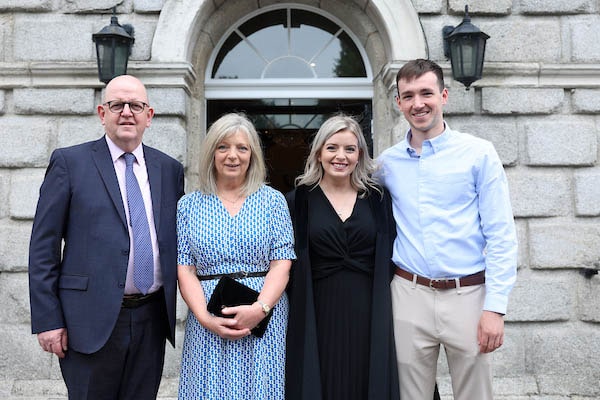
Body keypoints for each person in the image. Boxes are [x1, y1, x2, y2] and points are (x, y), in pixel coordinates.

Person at [28, 75, 185, 399]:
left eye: (136, 106)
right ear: (102, 113)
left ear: (149, 116)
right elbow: (43, 246)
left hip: (151, 319)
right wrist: (48, 319)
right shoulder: (70, 163)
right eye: (117, 105)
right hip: (88, 321)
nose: (127, 112)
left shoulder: (169, 169)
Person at [377, 58, 518, 400]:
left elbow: (501, 235)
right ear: (398, 103)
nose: (418, 103)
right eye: (408, 96)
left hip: (468, 296)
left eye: (426, 93)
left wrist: (495, 308)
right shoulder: (385, 165)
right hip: (408, 295)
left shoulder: (479, 154)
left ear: (444, 96)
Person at [176, 113, 295, 399]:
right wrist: (206, 318)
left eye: (242, 148)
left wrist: (260, 309)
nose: (233, 156)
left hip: (264, 317)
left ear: (252, 154)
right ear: (211, 152)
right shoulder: (189, 205)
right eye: (223, 147)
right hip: (208, 318)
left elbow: (282, 263)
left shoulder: (273, 201)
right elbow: (185, 269)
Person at [285, 114, 400, 400]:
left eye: (350, 149)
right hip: (316, 309)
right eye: (332, 147)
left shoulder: (378, 198)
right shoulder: (297, 201)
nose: (341, 156)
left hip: (369, 308)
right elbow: (287, 264)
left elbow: (391, 254)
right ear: (318, 153)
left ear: (360, 154)